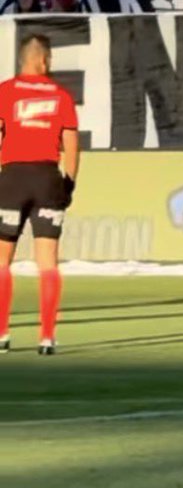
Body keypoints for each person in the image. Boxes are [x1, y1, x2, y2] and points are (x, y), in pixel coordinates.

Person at [0, 34, 81, 355]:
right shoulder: (62, 96)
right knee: (48, 263)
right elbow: (72, 146)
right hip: (48, 178)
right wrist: (69, 184)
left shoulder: (5, 91)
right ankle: (46, 337)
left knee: (2, 261)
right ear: (44, 61)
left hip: (13, 178)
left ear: (23, 60)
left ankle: (2, 334)